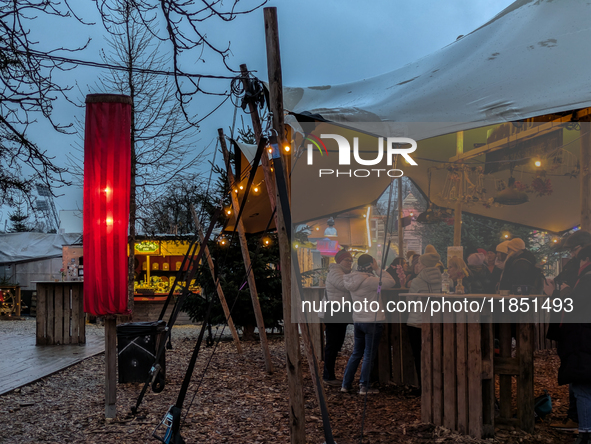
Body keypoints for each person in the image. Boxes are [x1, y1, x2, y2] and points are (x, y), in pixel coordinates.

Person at [548, 230, 591, 432]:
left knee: (581, 380)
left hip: (580, 334)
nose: (572, 255)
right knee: (579, 378)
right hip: (578, 333)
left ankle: (582, 427)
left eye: (574, 250)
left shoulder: (585, 273)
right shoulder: (580, 270)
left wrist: (558, 292)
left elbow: (574, 302)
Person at [341, 254, 396, 395]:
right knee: (368, 355)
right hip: (372, 320)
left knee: (356, 353)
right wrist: (378, 269)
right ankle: (364, 386)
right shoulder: (370, 281)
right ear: (370, 264)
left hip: (358, 320)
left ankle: (346, 384)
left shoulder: (352, 279)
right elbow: (391, 282)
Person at [407, 245, 442, 392]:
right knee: (435, 354)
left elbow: (410, 301)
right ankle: (437, 384)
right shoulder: (442, 279)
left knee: (419, 355)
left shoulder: (417, 281)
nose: (417, 265)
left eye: (419, 262)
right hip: (435, 321)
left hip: (417, 321)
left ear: (424, 264)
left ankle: (423, 386)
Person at [322, 249, 354, 386]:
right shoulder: (335, 272)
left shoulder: (344, 273)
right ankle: (328, 376)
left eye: (351, 260)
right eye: (347, 260)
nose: (350, 263)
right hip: (334, 311)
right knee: (332, 345)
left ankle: (330, 375)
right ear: (339, 261)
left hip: (341, 311)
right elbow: (345, 286)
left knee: (336, 344)